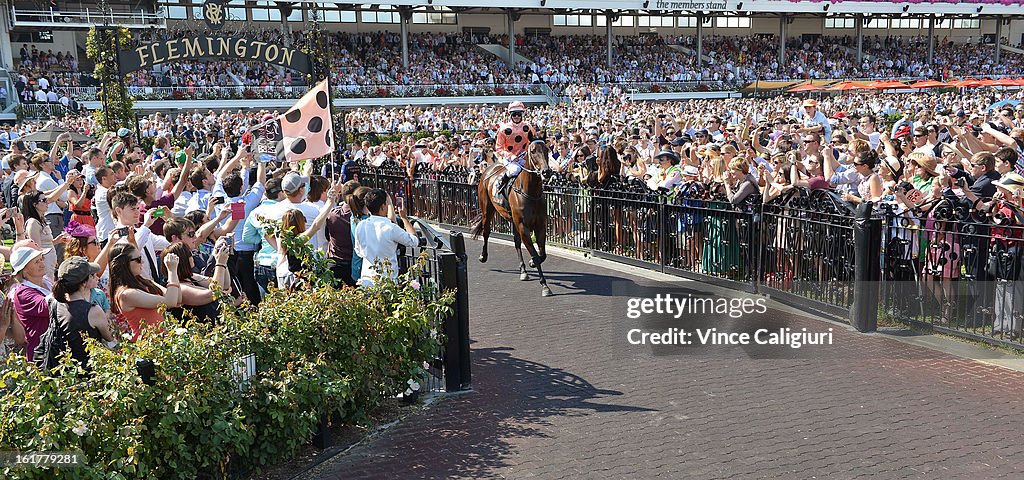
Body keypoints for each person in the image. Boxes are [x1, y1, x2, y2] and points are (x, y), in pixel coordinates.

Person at [35, 257, 115, 370]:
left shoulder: (55, 304)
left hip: (63, 370)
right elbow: (109, 337)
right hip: (88, 373)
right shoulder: (93, 311)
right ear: (84, 283)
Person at [108, 243, 181, 340]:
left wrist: (174, 272)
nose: (142, 262)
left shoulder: (144, 282)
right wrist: (172, 271)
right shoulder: (126, 294)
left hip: (162, 342)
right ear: (124, 264)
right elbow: (170, 302)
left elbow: (178, 299)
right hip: (147, 348)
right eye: (138, 259)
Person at [353, 188, 419, 287]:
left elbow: (359, 252)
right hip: (387, 282)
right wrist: (404, 218)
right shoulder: (390, 228)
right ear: (383, 206)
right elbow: (414, 241)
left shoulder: (361, 225)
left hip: (367, 279)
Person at [163, 239, 232, 323]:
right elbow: (213, 294)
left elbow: (224, 285)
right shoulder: (179, 287)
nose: (192, 255)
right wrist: (220, 263)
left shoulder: (192, 277)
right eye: (189, 253)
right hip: (200, 332)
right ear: (182, 260)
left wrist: (223, 261)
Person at [7, 245, 53, 361]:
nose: (42, 263)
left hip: (56, 346)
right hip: (42, 353)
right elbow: (48, 307)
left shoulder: (47, 282)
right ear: (25, 270)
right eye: (36, 262)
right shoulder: (22, 293)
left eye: (42, 259)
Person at [493, 101, 535, 197]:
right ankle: (501, 186)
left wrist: (527, 153)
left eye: (519, 114)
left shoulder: (528, 127)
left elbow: (532, 143)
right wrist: (511, 156)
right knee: (515, 170)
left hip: (524, 158)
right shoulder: (504, 129)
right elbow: (499, 148)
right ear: (510, 115)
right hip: (510, 160)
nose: (517, 116)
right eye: (514, 114)